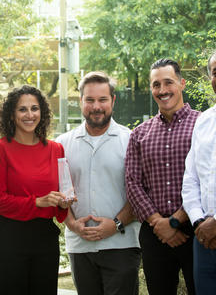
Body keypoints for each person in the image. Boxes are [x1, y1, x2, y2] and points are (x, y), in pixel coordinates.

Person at [56, 71, 141, 295]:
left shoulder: (131, 140)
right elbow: (58, 194)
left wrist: (116, 224)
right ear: (80, 101)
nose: (96, 106)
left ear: (113, 101)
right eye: (90, 100)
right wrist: (73, 224)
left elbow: (141, 193)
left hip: (122, 244)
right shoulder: (62, 145)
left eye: (102, 99)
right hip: (80, 246)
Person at [0, 85, 73, 295]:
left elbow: (63, 195)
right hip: (9, 238)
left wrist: (64, 202)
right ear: (11, 114)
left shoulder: (56, 149)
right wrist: (37, 202)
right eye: (22, 109)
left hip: (45, 238)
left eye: (35, 108)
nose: (29, 114)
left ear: (42, 112)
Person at [125, 58, 199, 295]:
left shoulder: (204, 124)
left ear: (182, 83)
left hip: (197, 230)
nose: (162, 90)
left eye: (168, 82)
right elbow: (132, 183)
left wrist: (176, 220)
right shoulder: (140, 133)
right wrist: (159, 223)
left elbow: (208, 180)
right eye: (156, 84)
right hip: (154, 233)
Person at [182, 50, 216, 295]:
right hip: (204, 237)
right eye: (215, 72)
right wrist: (199, 221)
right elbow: (190, 178)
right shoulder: (203, 121)